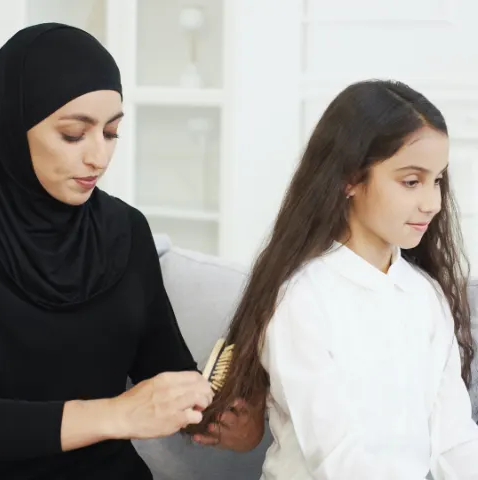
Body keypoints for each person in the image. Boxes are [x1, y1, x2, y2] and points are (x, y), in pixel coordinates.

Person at [0, 23, 264, 480]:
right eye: (73, 135)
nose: (98, 157)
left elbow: (168, 372)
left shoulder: (126, 232)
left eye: (112, 132)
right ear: (10, 125)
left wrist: (225, 420)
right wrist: (117, 414)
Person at [197, 79, 478, 479]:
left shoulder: (426, 296)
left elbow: (455, 442)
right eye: (411, 181)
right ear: (350, 178)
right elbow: (338, 458)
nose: (432, 202)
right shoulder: (302, 298)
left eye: (438, 180)